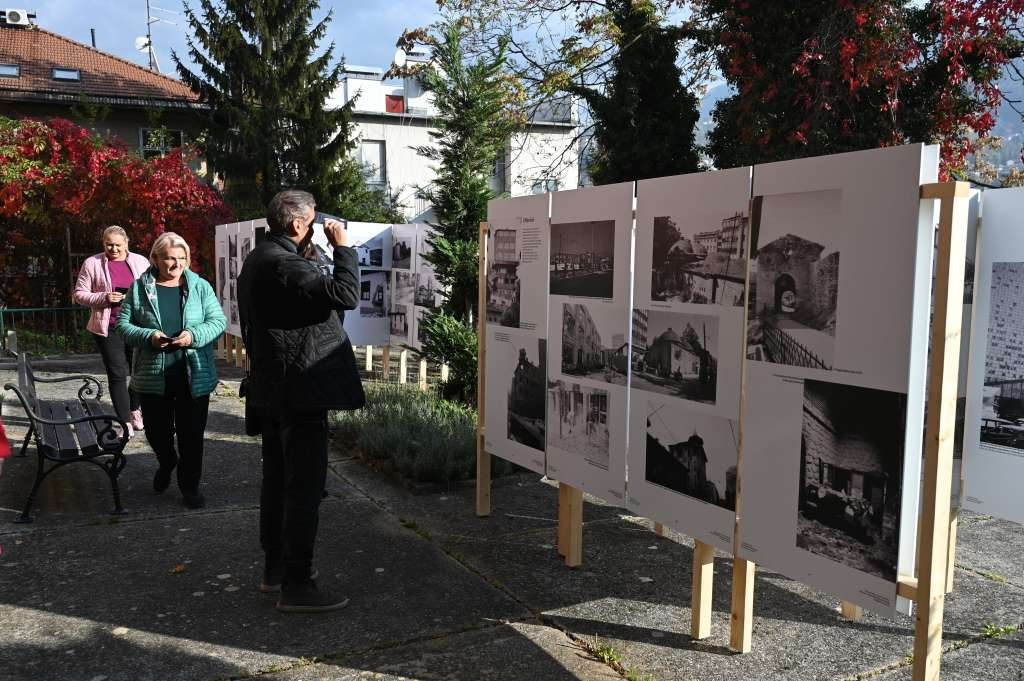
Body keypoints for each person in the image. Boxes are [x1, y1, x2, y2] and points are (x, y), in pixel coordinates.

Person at [238, 189, 365, 613]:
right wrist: (343, 248)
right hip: (300, 392)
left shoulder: (261, 257)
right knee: (304, 488)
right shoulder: (283, 264)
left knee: (277, 482)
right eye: (312, 222)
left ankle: (275, 569)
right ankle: (297, 583)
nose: (316, 228)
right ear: (297, 224)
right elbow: (346, 295)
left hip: (274, 390)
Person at [116, 232, 226, 509]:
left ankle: (190, 486)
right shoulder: (139, 288)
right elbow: (123, 326)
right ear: (155, 259)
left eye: (182, 258)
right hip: (154, 377)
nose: (177, 264)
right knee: (157, 434)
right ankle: (167, 462)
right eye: (169, 258)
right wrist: (150, 337)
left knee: (192, 436)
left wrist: (193, 335)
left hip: (193, 376)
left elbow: (217, 321)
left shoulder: (200, 286)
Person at [73, 226, 151, 435]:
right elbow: (79, 294)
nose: (114, 249)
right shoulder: (92, 263)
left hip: (137, 327)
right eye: (109, 245)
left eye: (118, 245)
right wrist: (104, 297)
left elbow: (152, 290)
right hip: (108, 327)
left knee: (140, 372)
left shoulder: (141, 262)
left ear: (126, 243)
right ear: (103, 244)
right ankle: (125, 421)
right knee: (117, 374)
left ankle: (135, 410)